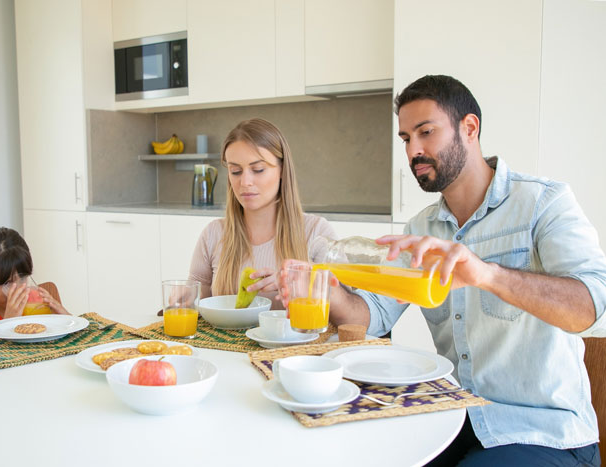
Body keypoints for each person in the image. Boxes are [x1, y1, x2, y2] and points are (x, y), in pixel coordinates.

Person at [281, 75, 605, 465]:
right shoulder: (420, 228)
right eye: (405, 138)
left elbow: (588, 306)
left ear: (469, 128)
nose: (414, 149)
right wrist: (328, 291)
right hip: (452, 416)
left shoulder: (542, 202)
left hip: (543, 432)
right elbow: (374, 317)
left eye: (426, 132)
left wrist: (487, 275)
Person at [189, 118, 336, 309]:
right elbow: (197, 306)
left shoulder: (317, 232)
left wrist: (302, 284)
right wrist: (184, 300)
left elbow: (339, 309)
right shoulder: (213, 233)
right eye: (235, 171)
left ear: (282, 169)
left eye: (258, 169)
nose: (245, 182)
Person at [0, 227, 69, 333]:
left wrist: (67, 319)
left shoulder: (34, 302)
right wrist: (8, 323)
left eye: (23, 278)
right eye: (7, 283)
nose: (19, 288)